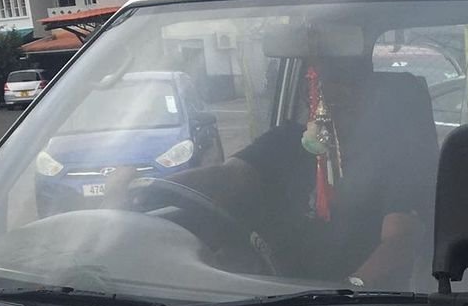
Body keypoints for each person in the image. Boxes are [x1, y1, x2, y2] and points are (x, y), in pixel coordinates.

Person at [177, 55, 438, 289]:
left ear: (366, 99)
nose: (327, 107)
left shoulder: (396, 158)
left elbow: (400, 240)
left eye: (342, 94)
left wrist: (351, 288)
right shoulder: (284, 142)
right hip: (267, 297)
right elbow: (228, 176)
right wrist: (146, 189)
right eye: (317, 91)